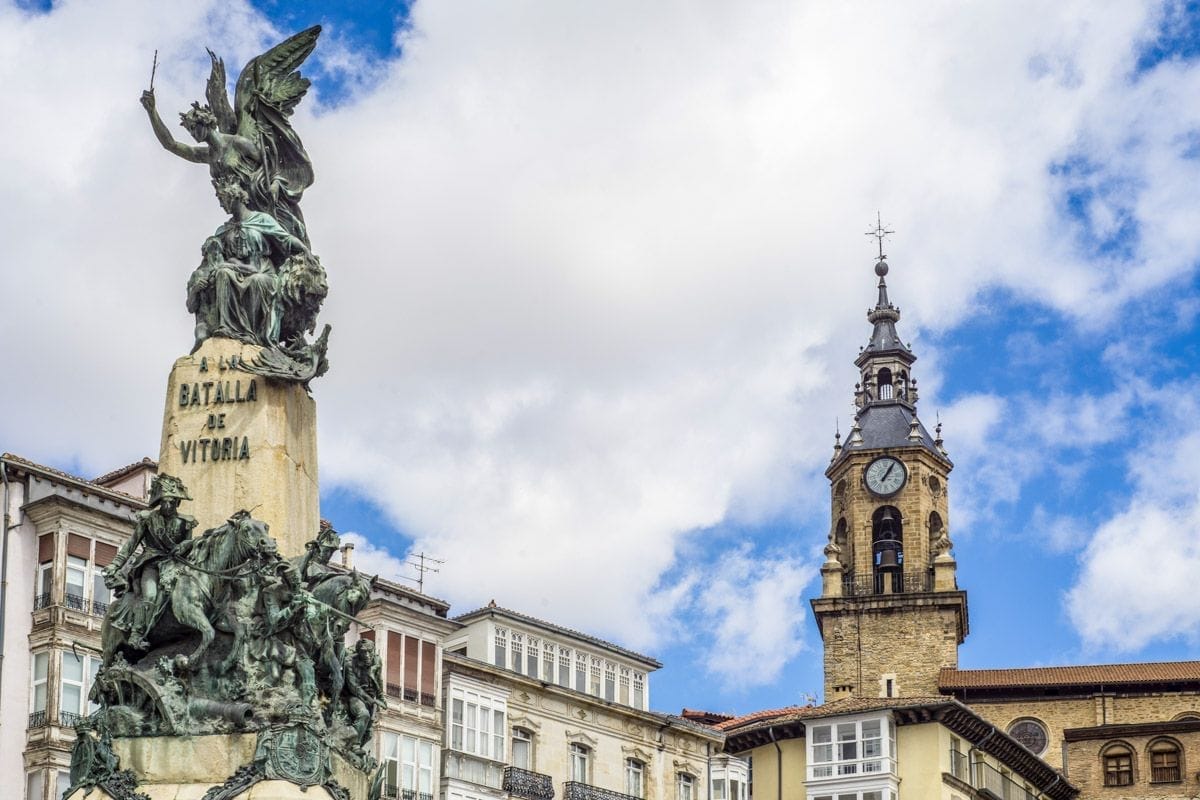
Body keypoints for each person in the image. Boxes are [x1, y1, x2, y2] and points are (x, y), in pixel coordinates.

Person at [187, 178, 310, 348]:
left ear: (235, 196)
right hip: (235, 272)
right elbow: (212, 258)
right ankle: (226, 329)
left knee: (257, 280)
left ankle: (253, 337)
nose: (221, 204)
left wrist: (304, 250)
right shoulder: (223, 230)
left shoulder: (261, 219)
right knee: (223, 273)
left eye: (222, 198)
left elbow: (285, 239)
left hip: (263, 272)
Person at [104, 475, 197, 650]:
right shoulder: (149, 519)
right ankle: (136, 634)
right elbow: (131, 545)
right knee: (151, 596)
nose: (168, 506)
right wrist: (115, 565)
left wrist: (186, 545)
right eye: (165, 502)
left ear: (178, 502)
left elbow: (189, 549)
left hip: (175, 566)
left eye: (172, 502)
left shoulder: (186, 523)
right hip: (151, 564)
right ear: (160, 501)